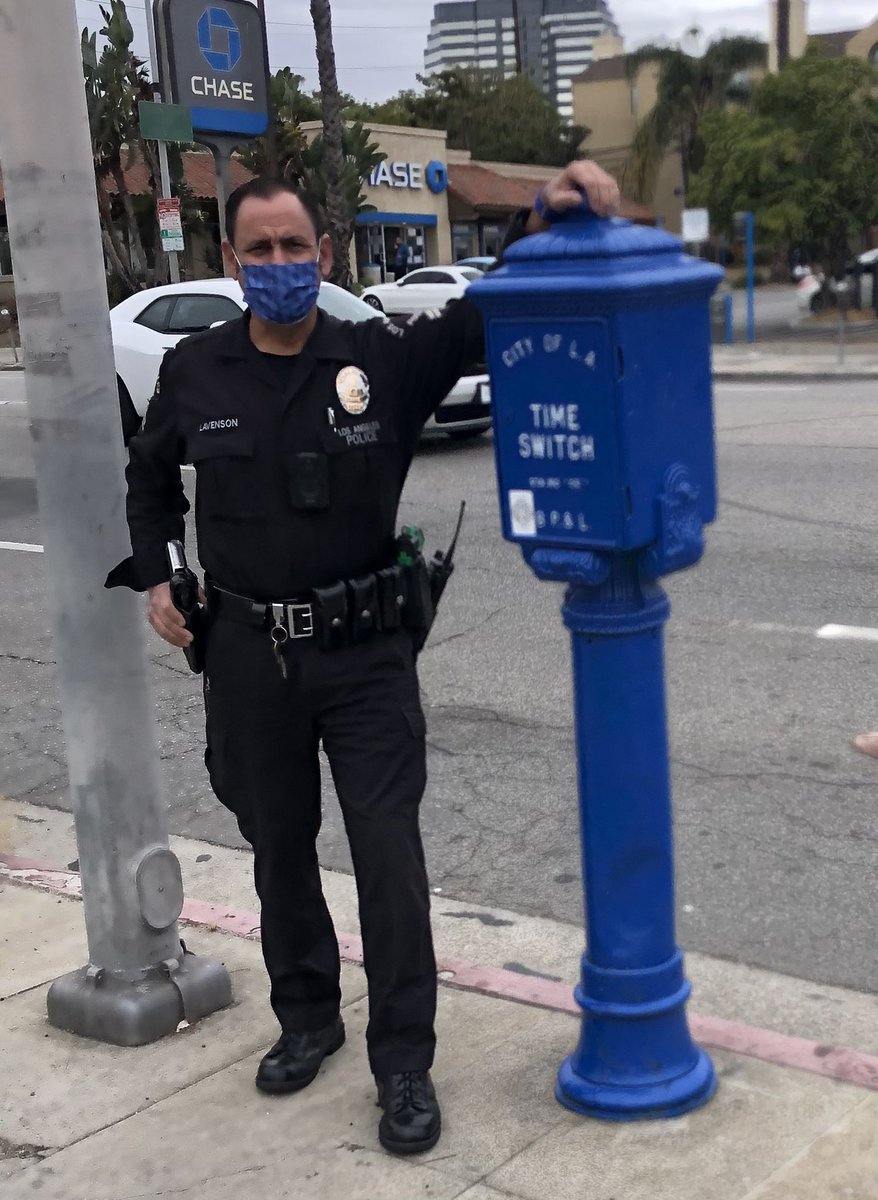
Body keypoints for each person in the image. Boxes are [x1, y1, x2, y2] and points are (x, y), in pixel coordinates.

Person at [106, 160, 620, 1155]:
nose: (279, 264)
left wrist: (543, 210)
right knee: (279, 853)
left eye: (295, 246)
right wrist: (163, 571)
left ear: (325, 253)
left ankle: (403, 1065)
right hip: (250, 655)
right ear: (232, 261)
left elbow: (483, 315)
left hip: (366, 655)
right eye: (259, 250)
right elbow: (149, 478)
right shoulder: (195, 369)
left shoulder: (378, 357)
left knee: (388, 861)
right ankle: (305, 1020)